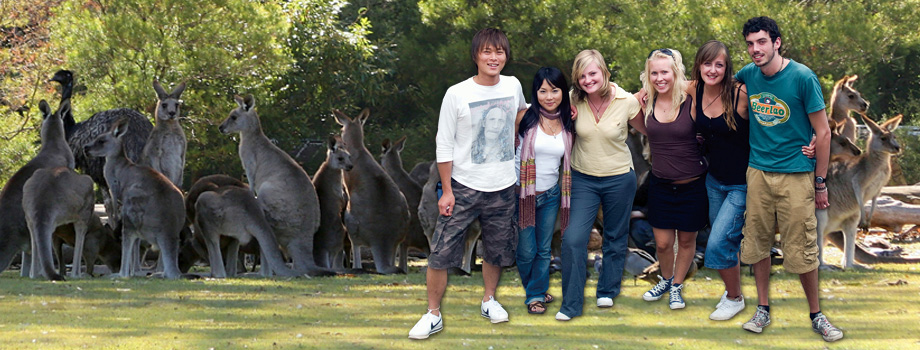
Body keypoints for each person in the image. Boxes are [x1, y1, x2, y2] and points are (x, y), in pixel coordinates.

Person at [408, 28, 528, 340]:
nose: (494, 57)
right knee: (440, 253)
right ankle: (433, 313)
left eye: (499, 52)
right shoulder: (457, 94)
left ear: (506, 56)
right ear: (475, 55)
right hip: (462, 187)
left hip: (503, 186)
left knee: (496, 250)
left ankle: (489, 299)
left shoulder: (513, 85)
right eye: (487, 51)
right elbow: (444, 145)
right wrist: (445, 190)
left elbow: (521, 118)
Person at [734, 16, 843, 342]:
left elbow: (823, 133)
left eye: (762, 42)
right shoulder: (747, 75)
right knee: (757, 244)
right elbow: (709, 84)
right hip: (758, 173)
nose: (755, 49)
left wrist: (819, 181)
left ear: (777, 42)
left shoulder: (802, 78)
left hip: (796, 174)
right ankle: (762, 309)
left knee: (803, 248)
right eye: (751, 44)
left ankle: (817, 315)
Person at [556, 49, 646, 321]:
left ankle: (607, 290)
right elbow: (544, 112)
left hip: (620, 177)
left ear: (604, 73)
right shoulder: (571, 100)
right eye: (582, 75)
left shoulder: (626, 101)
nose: (588, 79)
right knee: (573, 239)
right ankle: (570, 304)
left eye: (593, 73)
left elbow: (651, 130)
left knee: (615, 237)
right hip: (583, 178)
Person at [638, 48, 708, 310]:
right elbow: (626, 106)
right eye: (654, 73)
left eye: (665, 72)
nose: (659, 78)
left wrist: (683, 82)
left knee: (687, 241)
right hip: (660, 185)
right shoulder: (646, 103)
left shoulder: (691, 100)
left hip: (692, 185)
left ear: (675, 72)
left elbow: (707, 82)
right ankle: (666, 280)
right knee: (664, 243)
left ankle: (677, 287)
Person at [689, 40, 750, 320]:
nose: (712, 70)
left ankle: (735, 297)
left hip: (742, 183)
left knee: (717, 243)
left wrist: (809, 139)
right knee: (727, 242)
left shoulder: (740, 94)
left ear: (727, 68)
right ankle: (732, 293)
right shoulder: (693, 88)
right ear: (699, 65)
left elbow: (780, 118)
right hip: (714, 182)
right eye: (707, 63)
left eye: (719, 65)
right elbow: (656, 85)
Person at [514, 67, 575, 315]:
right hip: (523, 195)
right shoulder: (524, 117)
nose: (549, 96)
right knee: (526, 250)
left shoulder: (569, 120)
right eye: (543, 91)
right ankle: (534, 287)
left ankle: (535, 295)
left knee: (544, 249)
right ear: (535, 92)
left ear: (563, 92)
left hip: (551, 194)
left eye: (554, 90)